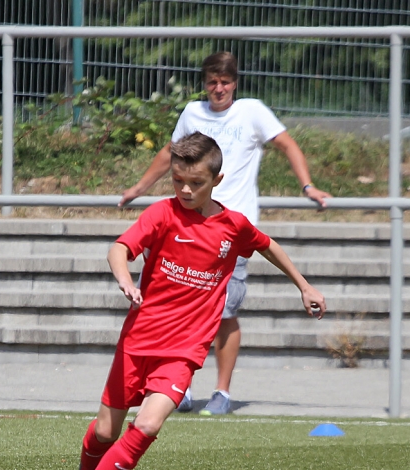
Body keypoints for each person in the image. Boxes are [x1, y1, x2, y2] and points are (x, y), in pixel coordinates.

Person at [48, 131, 326, 470]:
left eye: (196, 182)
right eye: (178, 180)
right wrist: (125, 278)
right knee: (105, 431)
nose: (185, 190)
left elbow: (267, 245)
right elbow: (119, 249)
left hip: (183, 350)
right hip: (138, 341)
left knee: (147, 425)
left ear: (217, 179)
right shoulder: (162, 214)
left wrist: (304, 285)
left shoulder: (233, 226)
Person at [120, 51, 331, 416]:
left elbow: (287, 144)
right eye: (212, 82)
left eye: (225, 82)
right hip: (186, 228)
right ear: (204, 84)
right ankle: (177, 385)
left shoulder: (251, 111)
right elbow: (170, 154)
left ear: (235, 83)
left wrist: (307, 186)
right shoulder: (193, 113)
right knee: (174, 310)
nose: (218, 89)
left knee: (223, 313)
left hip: (228, 235)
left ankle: (222, 391)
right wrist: (139, 188)